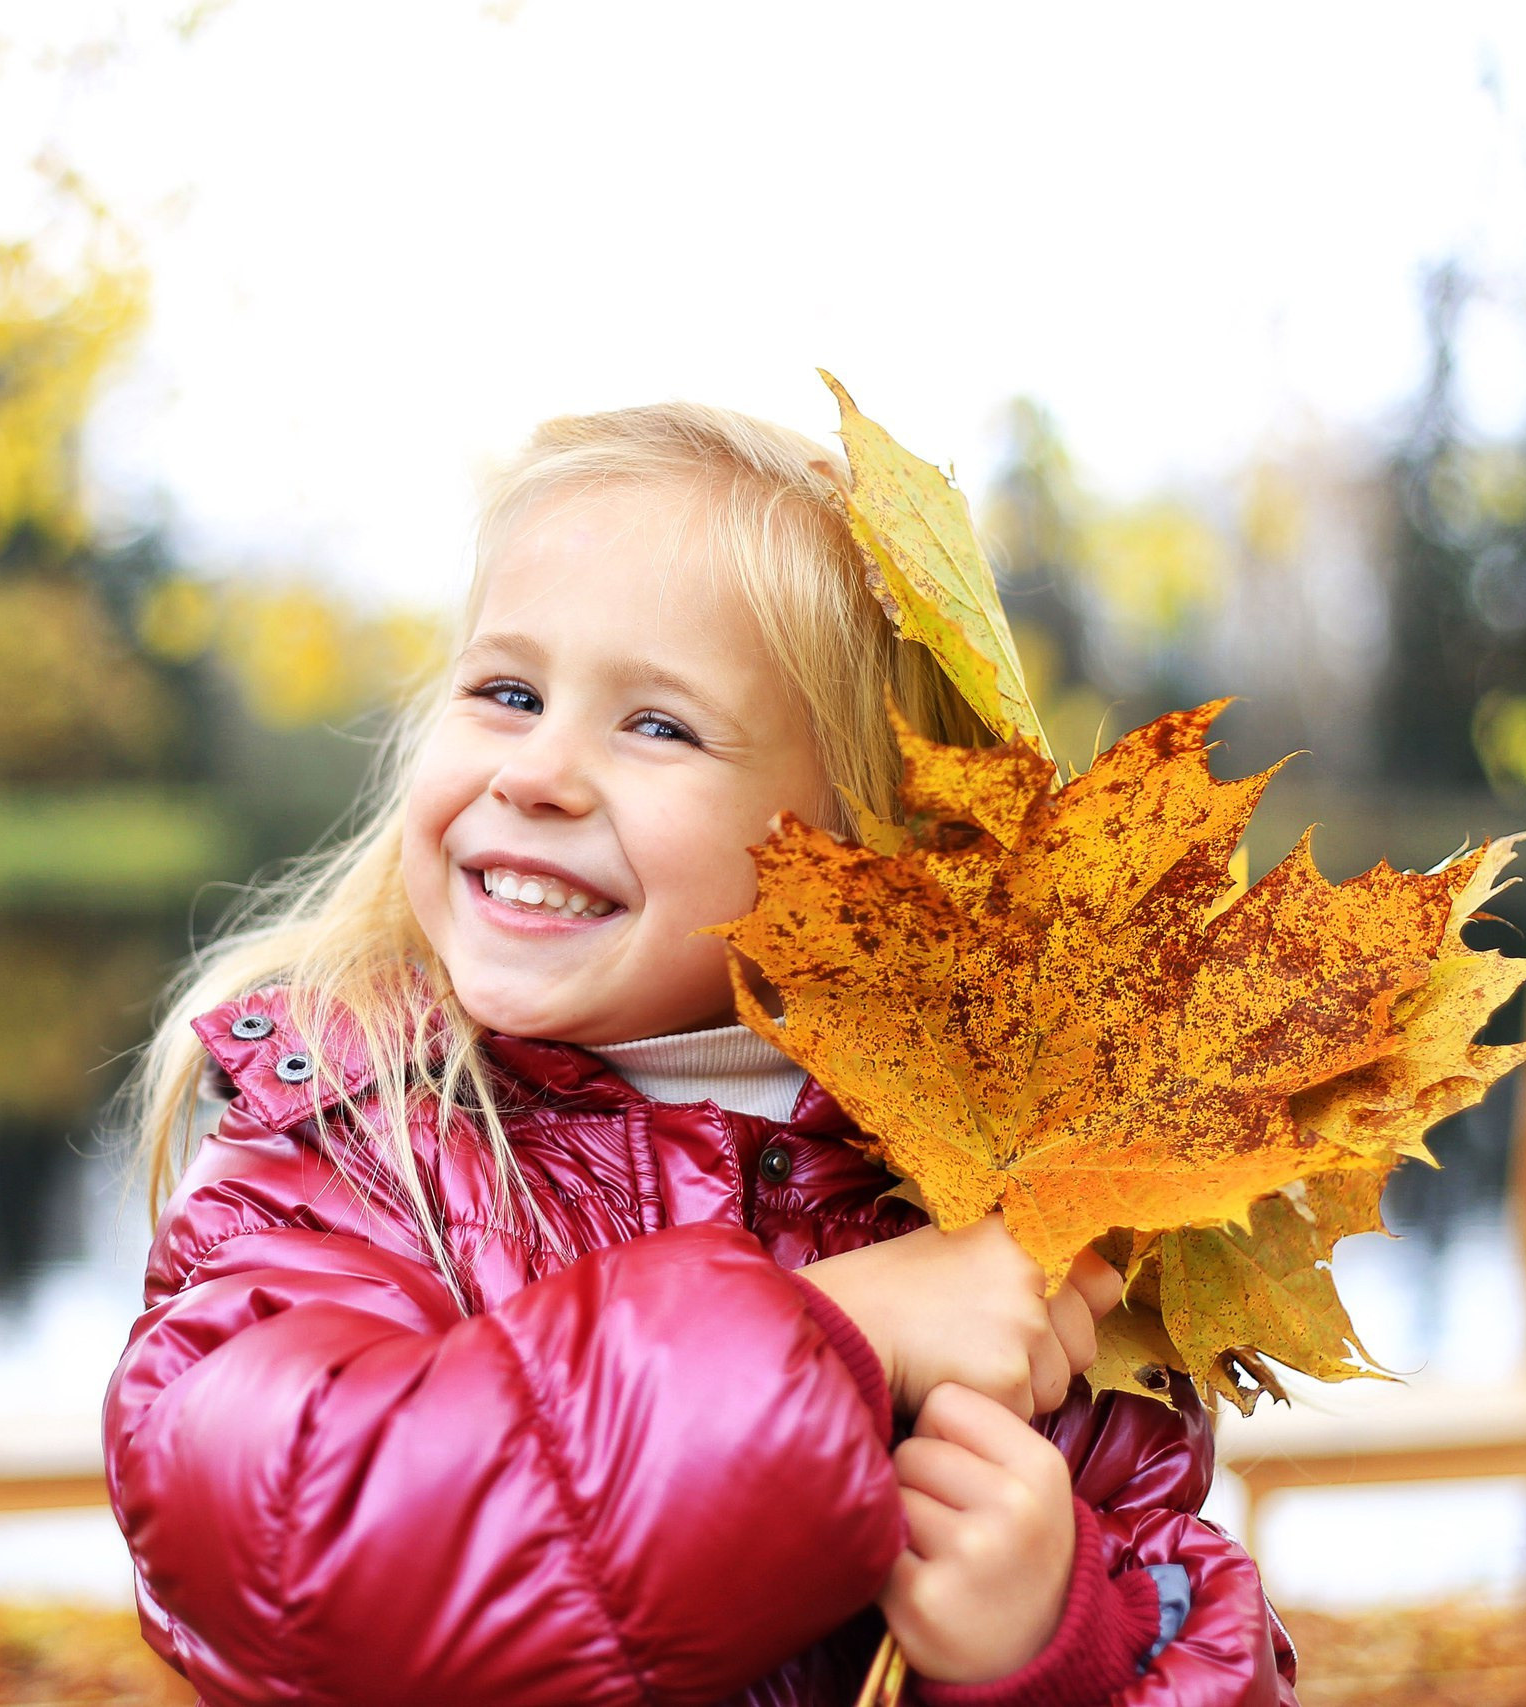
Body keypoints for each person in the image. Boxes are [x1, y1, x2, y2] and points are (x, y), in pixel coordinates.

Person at [102, 401, 1301, 1707]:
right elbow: (297, 1557)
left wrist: (1056, 1645)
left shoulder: (1004, 1219)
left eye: (658, 726)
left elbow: (1204, 1639)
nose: (541, 771)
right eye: (508, 692)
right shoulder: (349, 1152)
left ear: (862, 849)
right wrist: (834, 1331)